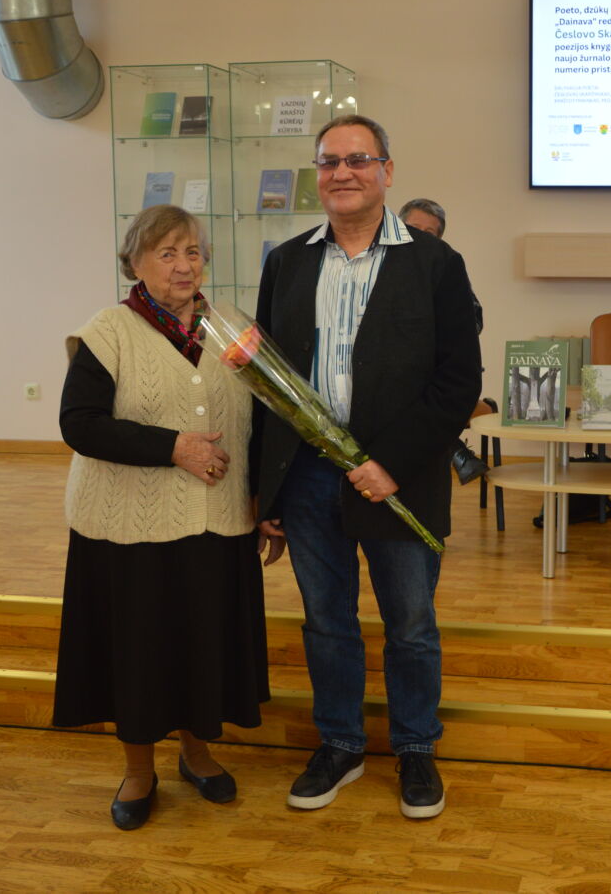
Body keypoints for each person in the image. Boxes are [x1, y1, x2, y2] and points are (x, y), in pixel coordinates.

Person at [255, 116, 482, 819]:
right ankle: (341, 744)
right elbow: (268, 383)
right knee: (327, 621)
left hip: (399, 478)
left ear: (386, 170)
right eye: (329, 161)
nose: (342, 172)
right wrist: (266, 492)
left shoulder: (435, 263)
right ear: (317, 175)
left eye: (358, 159)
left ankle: (415, 746)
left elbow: (458, 381)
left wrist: (393, 464)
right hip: (307, 477)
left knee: (410, 623)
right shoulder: (286, 262)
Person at [53, 204, 270, 830]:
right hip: (130, 527)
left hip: (218, 522)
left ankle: (196, 754)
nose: (183, 265)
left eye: (193, 252)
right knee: (141, 652)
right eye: (167, 253)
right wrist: (173, 447)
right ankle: (138, 770)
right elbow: (80, 424)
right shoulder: (109, 331)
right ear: (136, 262)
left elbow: (263, 418)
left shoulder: (233, 327)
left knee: (203, 645)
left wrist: (267, 503)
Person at [399, 197, 488, 485]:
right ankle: (456, 450)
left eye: (430, 233)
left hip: (434, 367)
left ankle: (453, 452)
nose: (421, 238)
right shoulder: (381, 266)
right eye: (414, 229)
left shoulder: (446, 265)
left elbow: (474, 319)